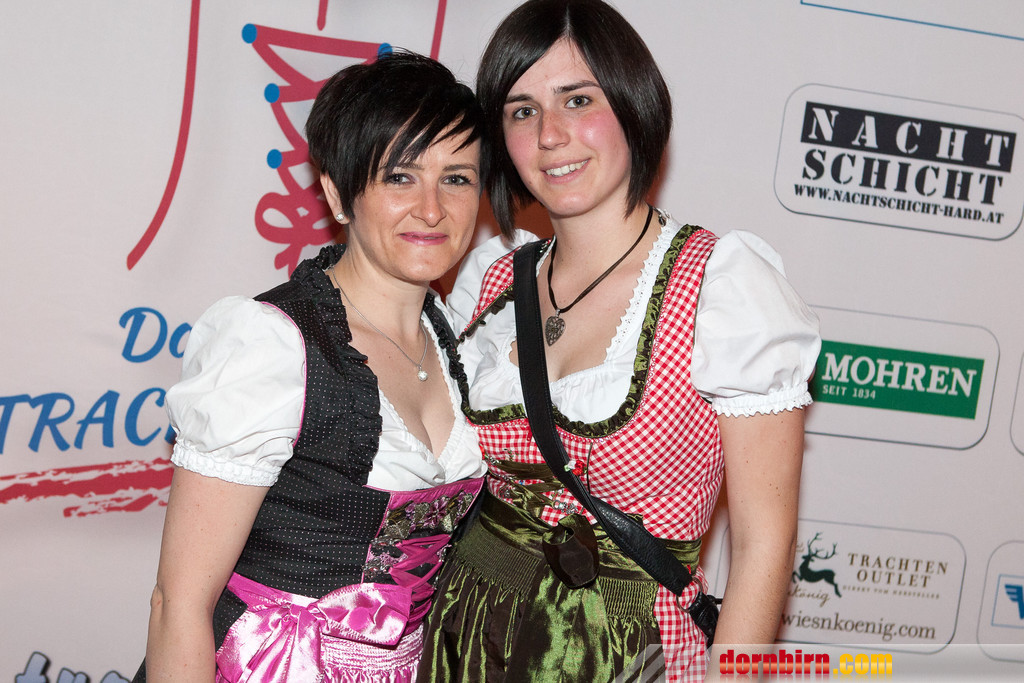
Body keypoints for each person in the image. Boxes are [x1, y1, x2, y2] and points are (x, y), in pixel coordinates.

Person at [417, 1, 821, 681]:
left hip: (627, 648)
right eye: (521, 110)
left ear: (634, 104)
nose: (550, 135)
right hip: (467, 632)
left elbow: (763, 546)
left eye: (577, 100)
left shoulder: (720, 286)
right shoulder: (492, 279)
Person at [135, 51, 487, 683]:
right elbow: (178, 605)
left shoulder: (461, 338)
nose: (432, 208)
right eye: (400, 177)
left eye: (456, 178)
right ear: (337, 193)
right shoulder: (272, 343)